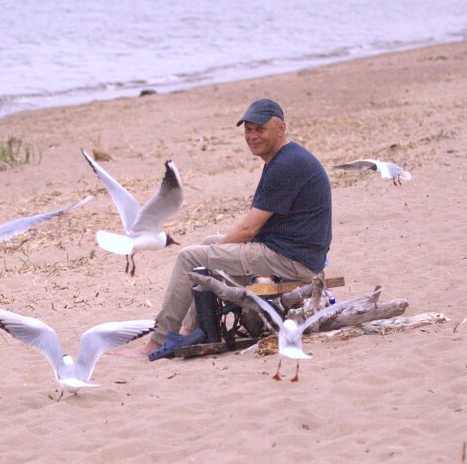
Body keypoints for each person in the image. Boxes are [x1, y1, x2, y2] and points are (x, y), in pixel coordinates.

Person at [141, 98, 332, 359]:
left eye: (260, 129)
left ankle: (158, 340)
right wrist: (213, 254)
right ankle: (188, 330)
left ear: (281, 128)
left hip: (293, 260)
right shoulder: (285, 158)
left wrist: (210, 259)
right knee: (207, 244)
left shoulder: (286, 165)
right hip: (293, 251)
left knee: (191, 257)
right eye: (248, 130)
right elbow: (251, 228)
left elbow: (247, 231)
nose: (252, 136)